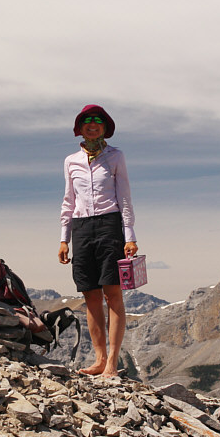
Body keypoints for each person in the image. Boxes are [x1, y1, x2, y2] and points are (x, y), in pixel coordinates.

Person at [58, 104, 138, 378]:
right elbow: (69, 201)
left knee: (112, 293)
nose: (92, 125)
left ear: (105, 128)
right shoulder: (71, 161)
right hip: (81, 228)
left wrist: (130, 236)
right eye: (87, 121)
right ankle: (99, 359)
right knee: (90, 294)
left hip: (109, 224)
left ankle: (113, 362)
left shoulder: (116, 157)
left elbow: (125, 198)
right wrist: (63, 239)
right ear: (79, 128)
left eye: (98, 121)